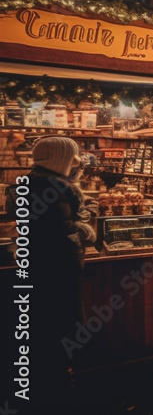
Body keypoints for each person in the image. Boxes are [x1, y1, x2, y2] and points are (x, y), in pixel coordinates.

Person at [4, 137, 96, 407]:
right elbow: (66, 230)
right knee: (63, 319)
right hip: (59, 266)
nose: (75, 166)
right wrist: (88, 213)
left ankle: (40, 378)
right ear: (61, 159)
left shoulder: (25, 183)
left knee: (39, 320)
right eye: (72, 160)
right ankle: (58, 381)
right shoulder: (58, 188)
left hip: (34, 263)